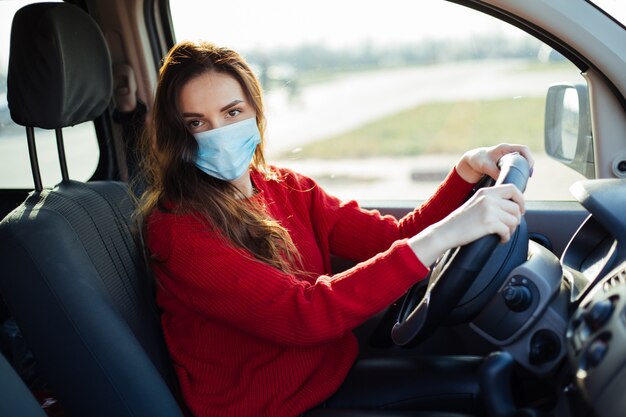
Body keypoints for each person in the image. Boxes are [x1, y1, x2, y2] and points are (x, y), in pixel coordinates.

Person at [136, 40, 534, 417]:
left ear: (255, 111)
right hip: (276, 408)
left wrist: (466, 170)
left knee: (496, 376)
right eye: (198, 123)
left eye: (232, 112)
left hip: (330, 374)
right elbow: (303, 313)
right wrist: (447, 234)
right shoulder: (178, 230)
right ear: (180, 136)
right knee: (489, 388)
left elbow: (395, 237)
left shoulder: (288, 187)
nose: (219, 133)